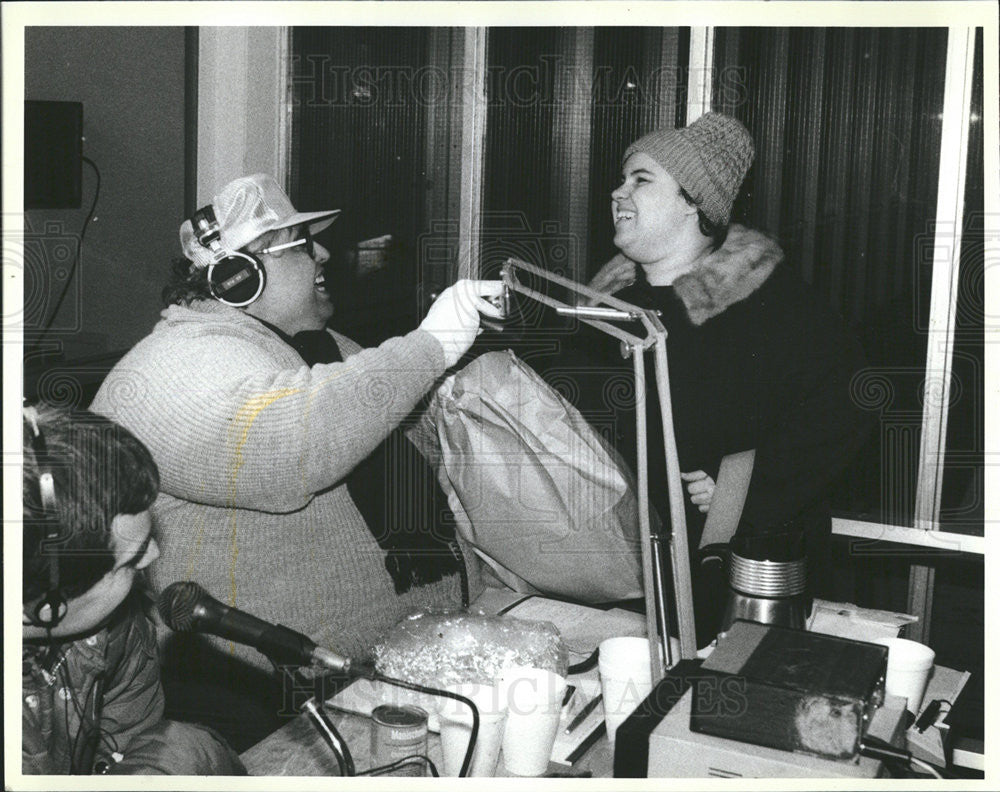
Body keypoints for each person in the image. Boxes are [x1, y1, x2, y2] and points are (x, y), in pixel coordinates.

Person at [90, 173, 503, 748]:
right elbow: (290, 447)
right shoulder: (167, 368)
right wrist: (431, 345)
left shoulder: (315, 348)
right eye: (303, 245)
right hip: (273, 706)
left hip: (394, 674)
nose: (325, 254)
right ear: (242, 275)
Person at [584, 113, 872, 641]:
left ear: (693, 203)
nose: (617, 191)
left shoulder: (774, 306)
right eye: (623, 178)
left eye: (640, 180)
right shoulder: (602, 307)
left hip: (737, 571)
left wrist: (741, 488)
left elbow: (846, 408)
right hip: (615, 568)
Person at [21, 404, 245, 775]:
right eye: (127, 562)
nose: (153, 555)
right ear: (44, 606)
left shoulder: (113, 626)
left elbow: (133, 737)